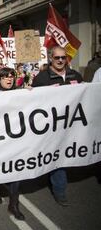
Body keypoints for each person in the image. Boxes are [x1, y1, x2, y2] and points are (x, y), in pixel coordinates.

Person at [32, 46, 83, 206]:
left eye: (63, 57)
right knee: (58, 156)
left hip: (72, 124)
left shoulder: (76, 75)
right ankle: (59, 191)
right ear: (50, 58)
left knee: (68, 153)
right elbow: (34, 103)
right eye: (57, 58)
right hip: (51, 126)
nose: (61, 60)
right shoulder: (41, 78)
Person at [0, 67, 25, 220]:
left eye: (12, 76)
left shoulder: (20, 93)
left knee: (16, 171)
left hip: (14, 139)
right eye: (5, 77)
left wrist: (31, 93)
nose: (9, 79)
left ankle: (14, 205)